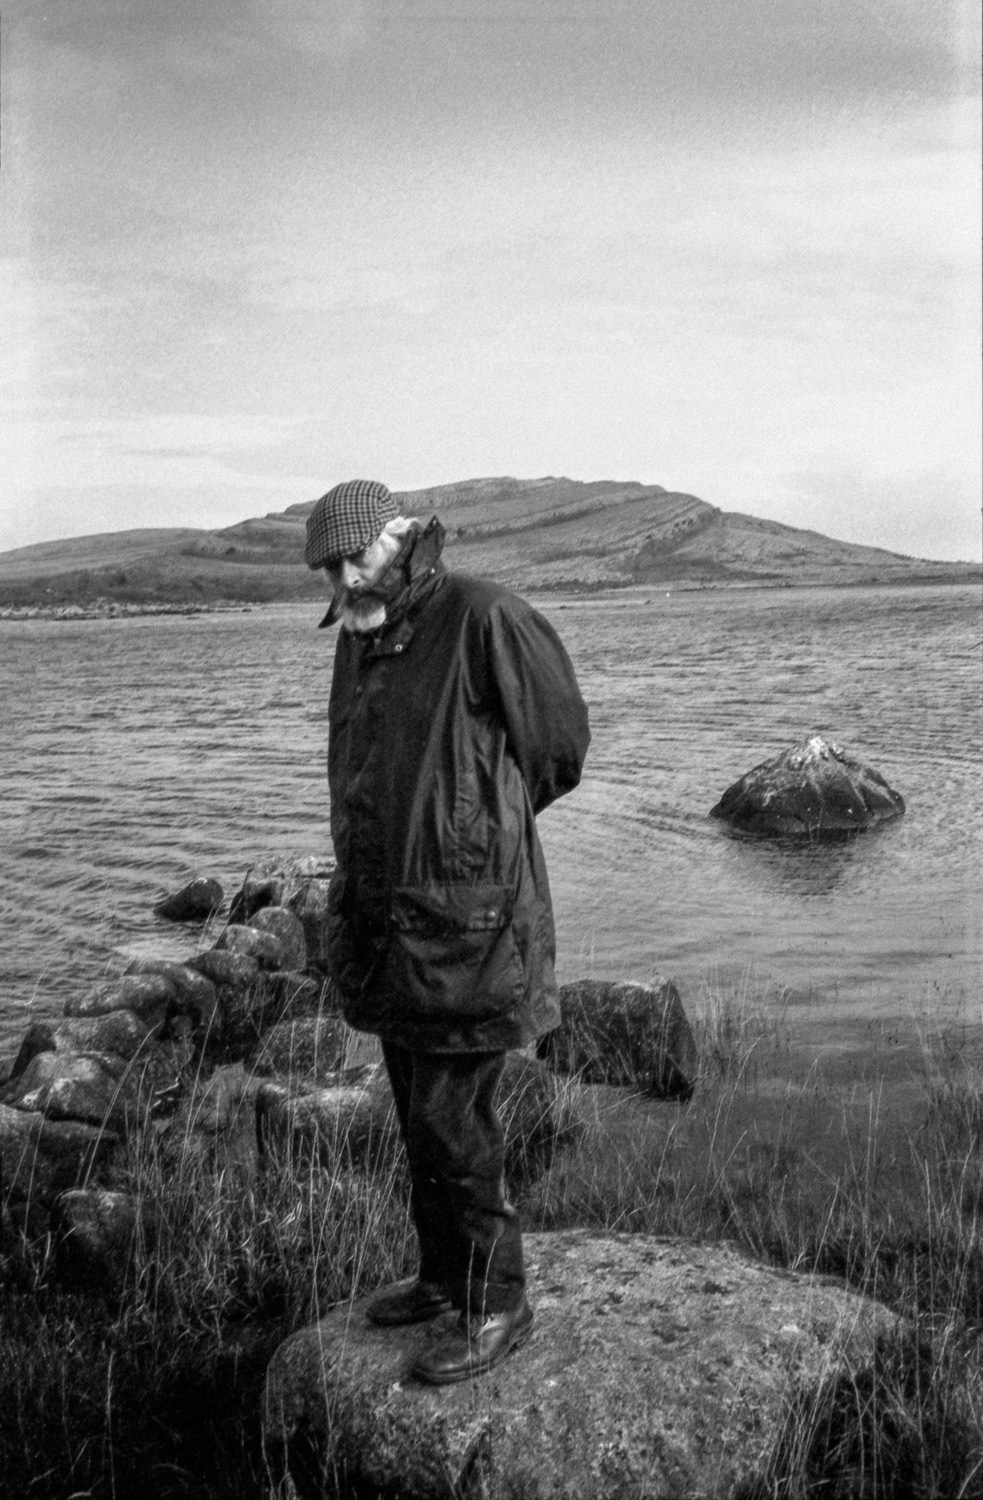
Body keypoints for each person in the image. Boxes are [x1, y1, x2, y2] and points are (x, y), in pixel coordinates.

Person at [305, 478, 590, 1385]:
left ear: (403, 536)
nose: (347, 575)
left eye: (358, 556)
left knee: (449, 1120)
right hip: (389, 922)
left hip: (471, 927)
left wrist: (477, 840)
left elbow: (558, 750)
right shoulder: (363, 631)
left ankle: (496, 1301)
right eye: (332, 566)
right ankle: (440, 1280)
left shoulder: (485, 616)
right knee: (417, 1118)